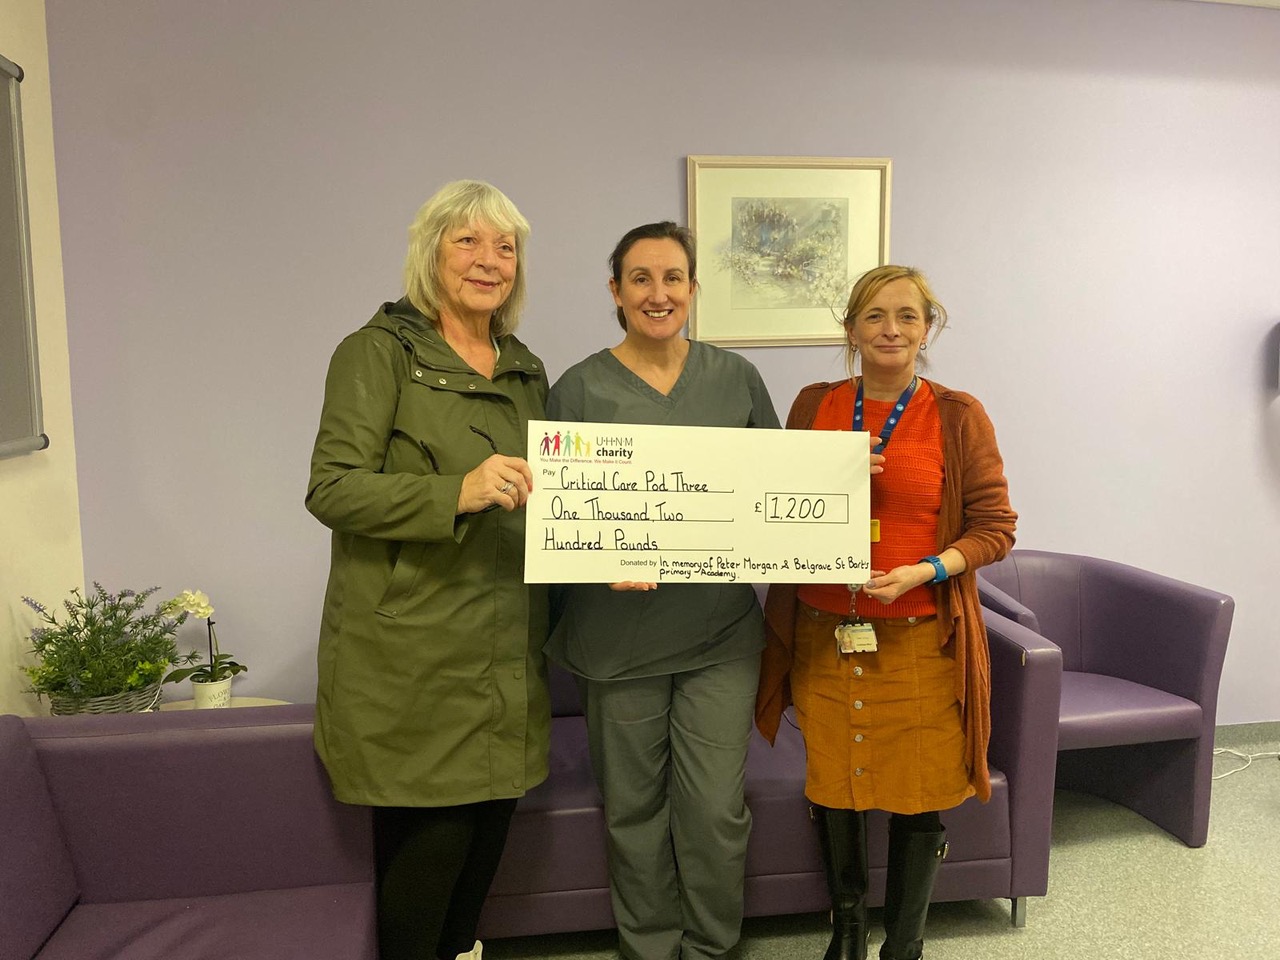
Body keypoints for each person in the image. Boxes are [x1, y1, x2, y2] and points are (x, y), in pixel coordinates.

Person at [305, 180, 549, 960]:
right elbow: (332, 488)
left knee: (481, 862)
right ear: (430, 253)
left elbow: (548, 500)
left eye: (505, 246)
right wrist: (457, 492)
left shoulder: (525, 368)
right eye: (467, 241)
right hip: (412, 658)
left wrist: (612, 548)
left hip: (506, 649)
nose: (489, 260)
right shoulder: (378, 352)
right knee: (429, 862)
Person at [755, 265, 1016, 960]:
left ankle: (904, 945)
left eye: (907, 316)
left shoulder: (957, 414)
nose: (890, 329)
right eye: (874, 316)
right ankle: (847, 935)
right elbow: (776, 504)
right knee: (835, 785)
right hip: (824, 634)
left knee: (918, 789)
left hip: (919, 638)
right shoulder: (814, 404)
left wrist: (928, 569)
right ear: (850, 329)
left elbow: (995, 528)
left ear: (927, 329)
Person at [546, 221, 780, 960]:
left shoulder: (735, 378)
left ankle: (711, 946)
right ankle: (648, 947)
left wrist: (843, 479)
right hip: (616, 638)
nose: (658, 293)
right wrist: (594, 557)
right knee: (634, 811)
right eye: (640, 278)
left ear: (693, 288)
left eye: (673, 277)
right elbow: (553, 513)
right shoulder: (578, 388)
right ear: (615, 292)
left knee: (713, 809)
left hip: (719, 636)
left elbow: (775, 487)